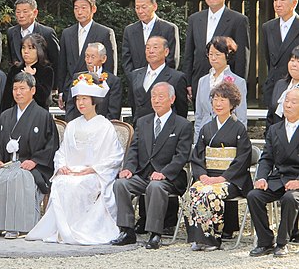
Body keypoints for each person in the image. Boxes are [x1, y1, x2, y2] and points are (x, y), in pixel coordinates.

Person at [27, 73, 123, 244]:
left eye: (85, 99)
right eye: (78, 99)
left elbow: (114, 156)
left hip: (93, 173)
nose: (81, 103)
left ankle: (79, 229)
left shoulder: (105, 126)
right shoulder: (72, 125)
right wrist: (62, 166)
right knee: (61, 182)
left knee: (78, 184)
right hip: (72, 170)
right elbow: (62, 152)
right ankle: (62, 229)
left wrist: (94, 169)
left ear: (94, 101)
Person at [0, 72, 59, 238]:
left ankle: (16, 226)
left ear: (33, 90)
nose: (18, 92)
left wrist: (35, 161)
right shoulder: (5, 116)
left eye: (22, 88)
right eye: (15, 88)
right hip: (7, 164)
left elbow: (51, 146)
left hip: (31, 167)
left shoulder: (43, 116)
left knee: (17, 179)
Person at [111, 82, 192, 249]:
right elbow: (134, 149)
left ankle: (155, 233)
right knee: (121, 184)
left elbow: (181, 156)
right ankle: (127, 230)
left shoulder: (182, 124)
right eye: (153, 96)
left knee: (155, 187)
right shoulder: (142, 122)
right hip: (143, 174)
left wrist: (164, 172)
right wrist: (128, 168)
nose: (156, 100)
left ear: (172, 99)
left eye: (161, 97)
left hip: (170, 177)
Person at [187, 81, 252, 251]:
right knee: (195, 191)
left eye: (223, 99)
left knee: (210, 193)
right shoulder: (206, 128)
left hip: (230, 179)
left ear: (232, 104)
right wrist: (202, 176)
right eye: (215, 99)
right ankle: (197, 238)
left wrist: (221, 178)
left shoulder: (239, 129)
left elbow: (242, 159)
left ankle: (212, 239)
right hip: (208, 176)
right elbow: (198, 156)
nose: (218, 103)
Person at [182, 0, 250, 104]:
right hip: (200, 81)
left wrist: (238, 85)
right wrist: (188, 82)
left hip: (226, 83)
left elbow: (242, 57)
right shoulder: (195, 19)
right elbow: (189, 54)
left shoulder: (238, 20)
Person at [247, 88, 299, 257]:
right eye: (286, 101)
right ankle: (265, 241)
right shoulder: (274, 129)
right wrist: (262, 177)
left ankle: (282, 242)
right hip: (279, 178)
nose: (288, 105)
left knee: (290, 198)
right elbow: (267, 158)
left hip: (297, 180)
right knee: (254, 196)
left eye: (294, 102)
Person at [58, 0, 117, 110]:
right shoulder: (67, 33)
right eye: (76, 8)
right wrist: (61, 91)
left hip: (96, 91)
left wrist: (108, 89)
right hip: (73, 90)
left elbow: (110, 66)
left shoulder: (105, 32)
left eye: (84, 8)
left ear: (93, 9)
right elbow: (62, 65)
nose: (79, 12)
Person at [194, 36, 247, 142]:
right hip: (205, 134)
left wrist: (240, 140)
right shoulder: (202, 81)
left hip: (228, 134)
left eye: (217, 54)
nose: (213, 58)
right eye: (210, 54)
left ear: (227, 55)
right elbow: (199, 115)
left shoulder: (237, 82)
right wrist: (196, 140)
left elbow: (241, 116)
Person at [129, 36, 187, 126]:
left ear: (166, 52)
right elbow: (133, 104)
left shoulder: (177, 77)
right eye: (147, 48)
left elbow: (181, 110)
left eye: (155, 47)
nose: (151, 51)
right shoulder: (135, 75)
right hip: (140, 128)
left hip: (166, 129)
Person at [122, 0, 180, 77]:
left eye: (144, 7)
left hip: (162, 83)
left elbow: (172, 60)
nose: (140, 11)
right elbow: (126, 60)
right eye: (137, 7)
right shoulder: (129, 30)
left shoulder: (168, 29)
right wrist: (135, 80)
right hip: (136, 83)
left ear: (154, 6)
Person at [7, 0, 59, 88]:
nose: (21, 15)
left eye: (25, 12)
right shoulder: (11, 32)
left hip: (42, 83)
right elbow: (12, 58)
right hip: (19, 84)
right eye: (18, 12)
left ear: (35, 13)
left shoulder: (47, 33)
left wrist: (54, 87)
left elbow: (56, 61)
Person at [262, 0, 299, 107]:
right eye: (275, 0)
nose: (277, 4)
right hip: (273, 86)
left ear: (294, 3)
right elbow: (269, 58)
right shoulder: (268, 27)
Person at [64, 42, 122, 122]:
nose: (89, 61)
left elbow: (113, 112)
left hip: (102, 127)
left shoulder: (113, 81)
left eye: (93, 57)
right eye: (87, 57)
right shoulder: (78, 77)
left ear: (103, 59)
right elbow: (70, 106)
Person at [1, 33, 53, 111]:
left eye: (30, 48)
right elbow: (7, 97)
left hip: (38, 114)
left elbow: (43, 97)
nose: (26, 51)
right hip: (15, 113)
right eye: (23, 48)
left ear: (39, 50)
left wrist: (32, 77)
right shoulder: (15, 69)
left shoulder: (46, 70)